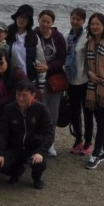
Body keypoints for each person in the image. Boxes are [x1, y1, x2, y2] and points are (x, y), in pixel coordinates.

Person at [76, 11, 104, 170]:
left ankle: (96, 155)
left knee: (101, 122)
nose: (95, 27)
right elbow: (87, 65)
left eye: (98, 24)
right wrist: (89, 73)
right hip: (92, 88)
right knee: (100, 120)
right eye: (92, 24)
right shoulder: (88, 43)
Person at [0, 79, 53, 189]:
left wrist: (41, 151)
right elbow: (3, 133)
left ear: (33, 95)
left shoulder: (41, 109)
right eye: (18, 95)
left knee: (39, 163)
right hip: (15, 147)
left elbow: (49, 133)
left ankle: (36, 178)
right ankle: (16, 171)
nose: (20, 98)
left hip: (34, 147)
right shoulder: (9, 108)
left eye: (24, 95)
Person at [32, 8, 69, 153]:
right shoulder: (33, 35)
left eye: (48, 22)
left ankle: (50, 142)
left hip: (54, 79)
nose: (45, 24)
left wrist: (48, 67)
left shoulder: (58, 37)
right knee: (39, 111)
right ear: (38, 20)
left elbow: (61, 59)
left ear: (52, 23)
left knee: (53, 113)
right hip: (37, 79)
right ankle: (37, 142)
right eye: (43, 21)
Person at [64, 7, 91, 154]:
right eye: (73, 18)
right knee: (74, 111)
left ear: (83, 21)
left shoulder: (87, 37)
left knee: (87, 112)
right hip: (70, 80)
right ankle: (78, 139)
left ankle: (88, 141)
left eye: (78, 19)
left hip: (84, 79)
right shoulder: (66, 36)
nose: (75, 21)